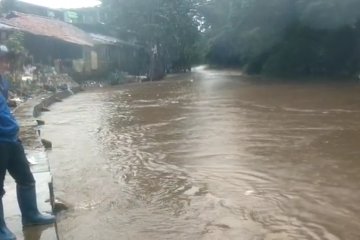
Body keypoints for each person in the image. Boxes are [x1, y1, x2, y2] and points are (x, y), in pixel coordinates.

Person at [0, 45, 55, 240]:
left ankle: (31, 216)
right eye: (2, 60)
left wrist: (13, 129)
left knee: (26, 179)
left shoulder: (3, 82)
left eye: (6, 60)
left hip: (12, 139)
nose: (5, 64)